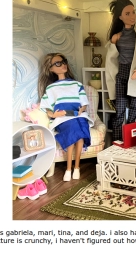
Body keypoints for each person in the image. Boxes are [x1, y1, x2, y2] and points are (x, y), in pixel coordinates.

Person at [104, 0, 136, 143]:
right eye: (127, 13)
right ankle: (117, 141)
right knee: (119, 110)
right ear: (120, 17)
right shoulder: (116, 37)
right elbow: (111, 59)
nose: (132, 16)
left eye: (133, 12)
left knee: (134, 111)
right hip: (122, 74)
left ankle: (131, 141)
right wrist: (112, 44)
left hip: (135, 76)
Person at [38, 53, 93, 182]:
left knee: (80, 127)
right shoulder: (51, 88)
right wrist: (54, 114)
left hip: (78, 115)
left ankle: (76, 168)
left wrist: (82, 109)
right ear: (51, 69)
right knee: (74, 128)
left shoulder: (77, 84)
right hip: (62, 118)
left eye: (63, 62)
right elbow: (46, 108)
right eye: (58, 63)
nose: (63, 65)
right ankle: (70, 169)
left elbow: (84, 103)